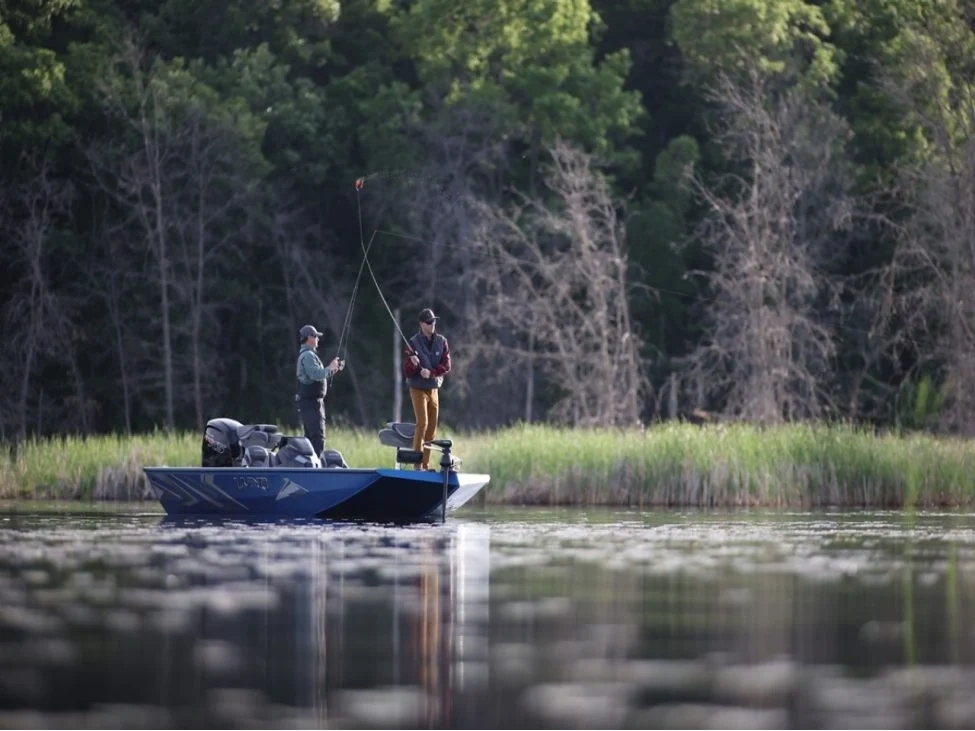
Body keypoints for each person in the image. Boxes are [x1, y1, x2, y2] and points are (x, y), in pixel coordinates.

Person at [403, 308, 451, 470]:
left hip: (433, 389)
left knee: (432, 428)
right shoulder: (413, 343)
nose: (432, 325)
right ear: (421, 324)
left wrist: (430, 373)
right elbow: (407, 371)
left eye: (434, 321)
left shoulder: (442, 341)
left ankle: (425, 463)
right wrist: (414, 364)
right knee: (422, 423)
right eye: (429, 322)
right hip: (417, 389)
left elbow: (446, 366)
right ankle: (417, 464)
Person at [295, 324, 344, 459]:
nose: (318, 340)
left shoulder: (308, 355)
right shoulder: (308, 355)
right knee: (317, 438)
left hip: (311, 404)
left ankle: (312, 467)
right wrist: (330, 368)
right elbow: (315, 375)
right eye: (316, 336)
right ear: (309, 338)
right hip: (311, 405)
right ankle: (317, 468)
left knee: (312, 438)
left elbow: (317, 374)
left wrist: (333, 369)